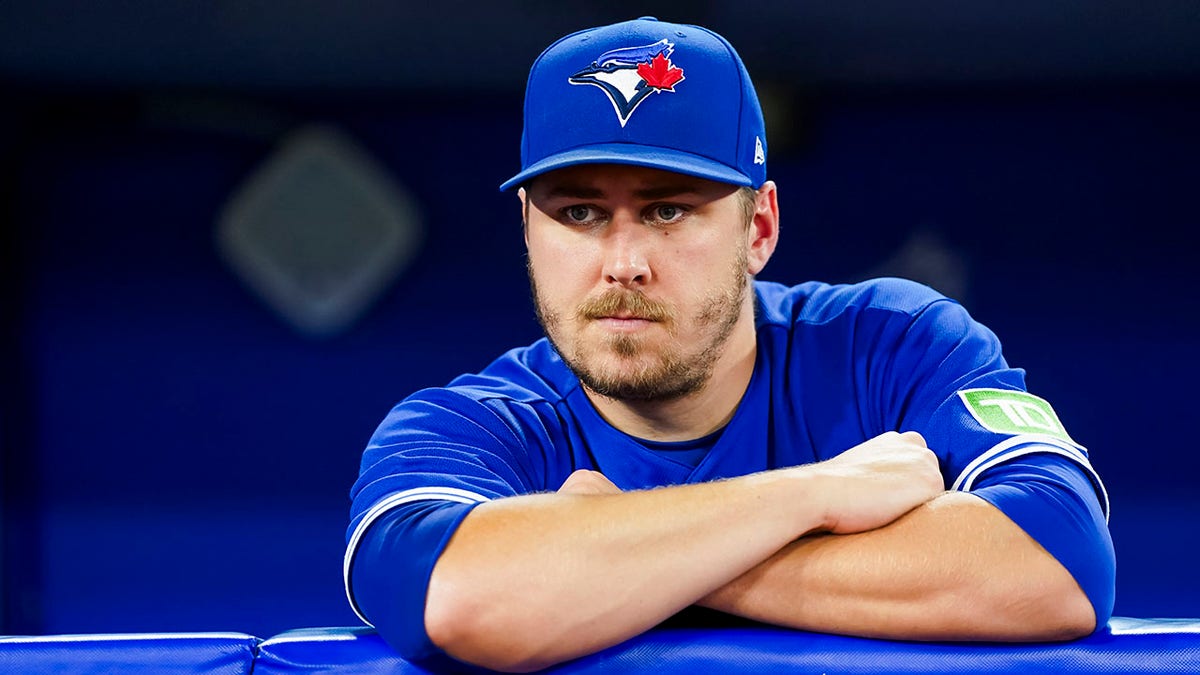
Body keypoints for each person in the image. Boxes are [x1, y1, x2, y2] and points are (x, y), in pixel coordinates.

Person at [344, 16, 1115, 673]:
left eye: (669, 211)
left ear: (760, 229)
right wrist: (816, 495)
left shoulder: (890, 346)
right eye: (578, 213)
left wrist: (613, 545)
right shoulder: (470, 425)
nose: (622, 262)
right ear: (528, 232)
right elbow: (461, 599)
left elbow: (1061, 563)